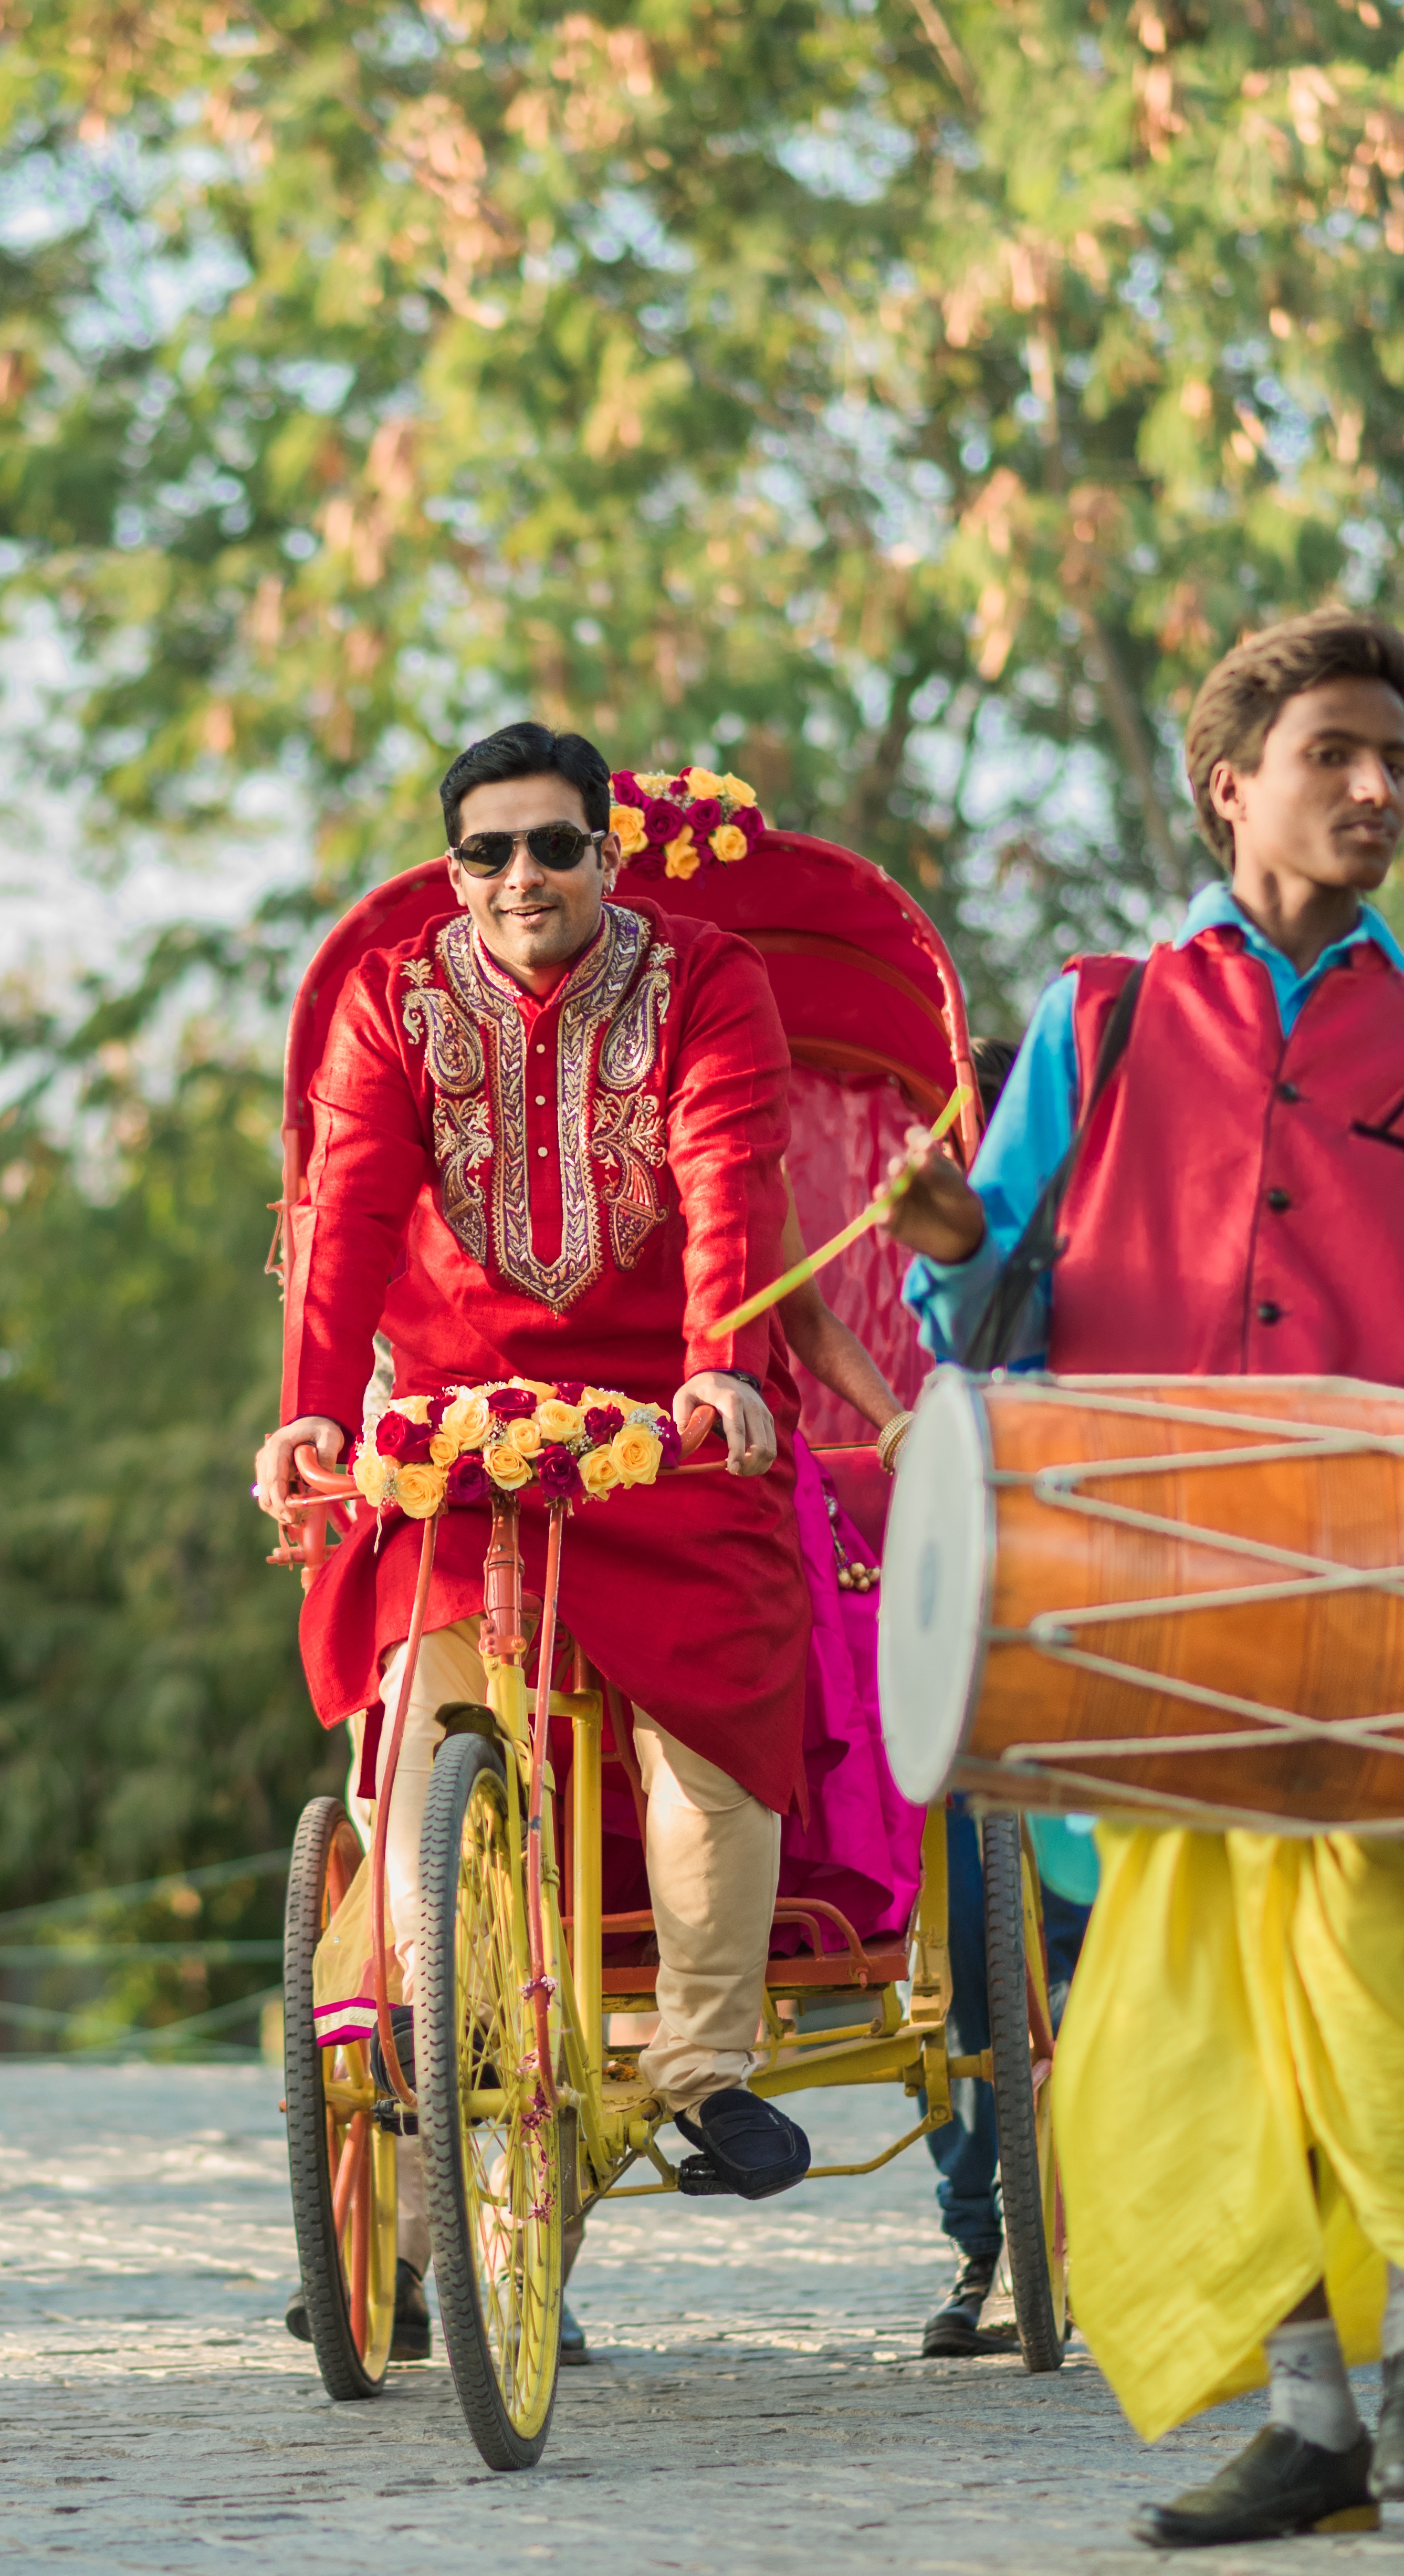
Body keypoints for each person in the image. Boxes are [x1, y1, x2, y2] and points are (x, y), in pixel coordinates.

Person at [884, 610, 1404, 2547]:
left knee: (1384, 1990)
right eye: (1335, 754)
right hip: (1138, 1613)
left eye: (1397, 756)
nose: (1380, 786)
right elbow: (970, 1294)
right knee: (1184, 2032)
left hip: (1381, 1616)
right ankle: (1310, 2415)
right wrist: (955, 1235)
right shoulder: (1100, 1019)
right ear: (1233, 785)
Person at [255, 717, 818, 2254]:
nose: (521, 876)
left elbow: (731, 1166)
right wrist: (311, 1415)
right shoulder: (393, 999)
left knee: (708, 1725)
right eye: (487, 851)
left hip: (671, 1431)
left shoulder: (705, 979)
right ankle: (414, 2066)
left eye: (553, 845)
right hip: (454, 1438)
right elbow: (348, 1212)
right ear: (454, 871)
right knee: (415, 1733)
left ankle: (704, 2075)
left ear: (605, 854)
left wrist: (720, 1362)